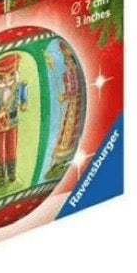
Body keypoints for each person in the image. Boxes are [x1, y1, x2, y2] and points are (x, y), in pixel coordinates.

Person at [0, 53, 28, 198]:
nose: (7, 80)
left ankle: (12, 175)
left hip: (12, 121)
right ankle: (2, 178)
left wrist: (24, 102)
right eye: (2, 77)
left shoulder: (18, 87)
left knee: (11, 147)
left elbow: (23, 92)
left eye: (11, 75)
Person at [45, 42, 83, 179]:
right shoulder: (67, 75)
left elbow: (75, 91)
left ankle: (65, 160)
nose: (67, 62)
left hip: (75, 104)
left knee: (71, 128)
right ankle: (60, 162)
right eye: (66, 60)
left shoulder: (74, 73)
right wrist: (65, 96)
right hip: (72, 105)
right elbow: (71, 90)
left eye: (69, 59)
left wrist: (65, 96)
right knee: (67, 128)